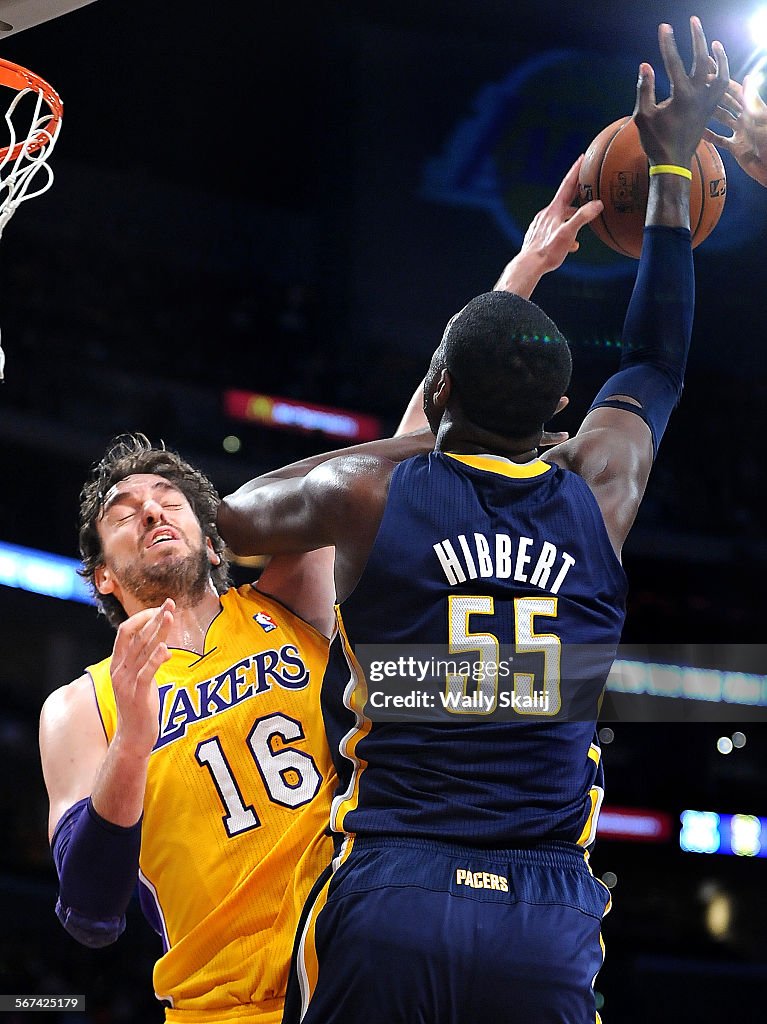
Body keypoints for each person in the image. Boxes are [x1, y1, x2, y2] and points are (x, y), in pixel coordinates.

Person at [216, 18, 729, 1024]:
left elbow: (229, 520)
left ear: (440, 391)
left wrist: (420, 436)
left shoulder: (368, 489)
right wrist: (668, 173)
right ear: (555, 415)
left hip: (391, 886)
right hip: (540, 916)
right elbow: (659, 360)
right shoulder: (596, 490)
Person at [37, 162, 604, 1021]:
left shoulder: (285, 600)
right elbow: (88, 911)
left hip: (359, 955)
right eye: (125, 511)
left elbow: (408, 453)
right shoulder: (80, 709)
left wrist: (517, 278)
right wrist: (133, 736)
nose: (153, 509)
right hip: (222, 1006)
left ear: (212, 527)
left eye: (170, 497)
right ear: (103, 576)